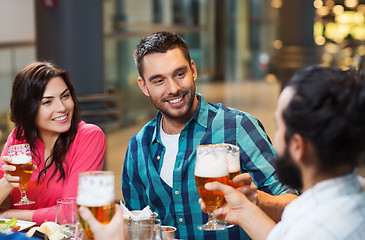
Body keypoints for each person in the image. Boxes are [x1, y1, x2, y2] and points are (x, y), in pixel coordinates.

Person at [121, 31, 297, 239]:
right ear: (144, 87)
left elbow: (296, 205)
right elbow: (135, 226)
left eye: (179, 74)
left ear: (193, 70)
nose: (174, 88)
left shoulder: (238, 127)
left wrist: (257, 199)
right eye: (159, 81)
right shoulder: (137, 147)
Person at [199, 66, 365, 239]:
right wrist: (243, 212)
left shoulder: (313, 231)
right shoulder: (354, 193)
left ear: (297, 146)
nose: (275, 138)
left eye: (279, 127)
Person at [0, 61, 106, 225]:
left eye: (65, 96)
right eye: (47, 102)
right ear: (28, 108)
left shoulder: (90, 137)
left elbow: (73, 212)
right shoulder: (19, 138)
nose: (62, 107)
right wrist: (7, 182)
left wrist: (8, 214)